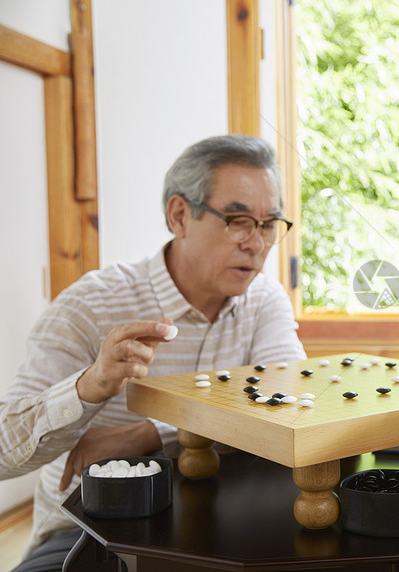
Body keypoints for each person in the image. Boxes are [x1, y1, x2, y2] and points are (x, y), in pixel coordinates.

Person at [1, 134, 306, 572]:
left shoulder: (265, 301)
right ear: (180, 215)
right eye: (238, 220)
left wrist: (146, 433)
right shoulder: (91, 304)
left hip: (224, 519)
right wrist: (89, 388)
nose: (256, 244)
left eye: (269, 224)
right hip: (88, 529)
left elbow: (286, 413)